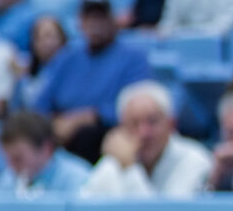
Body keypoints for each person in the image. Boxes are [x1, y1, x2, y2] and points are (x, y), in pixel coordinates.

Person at [31, 0, 152, 161]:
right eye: (90, 18)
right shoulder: (67, 57)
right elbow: (41, 104)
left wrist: (91, 116)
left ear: (112, 21)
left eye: (101, 18)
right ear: (81, 22)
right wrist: (55, 124)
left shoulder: (133, 58)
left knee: (87, 136)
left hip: (107, 132)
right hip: (61, 131)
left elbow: (137, 105)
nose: (96, 24)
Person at [78, 80, 212, 199]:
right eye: (134, 124)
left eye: (152, 122)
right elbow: (83, 209)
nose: (143, 133)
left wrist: (129, 168)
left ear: (172, 124)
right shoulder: (113, 163)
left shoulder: (195, 160)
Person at [0, 107, 91, 196]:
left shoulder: (77, 179)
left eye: (18, 158)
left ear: (46, 148)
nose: (11, 165)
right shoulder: (7, 180)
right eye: (8, 158)